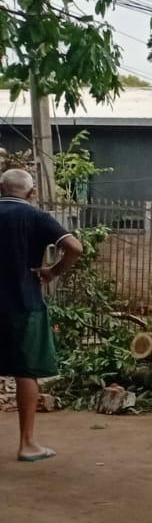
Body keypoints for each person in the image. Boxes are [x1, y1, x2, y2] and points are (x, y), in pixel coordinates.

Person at [1, 168, 81, 462]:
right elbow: (74, 247)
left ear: (0, 188)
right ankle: (27, 444)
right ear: (31, 193)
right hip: (24, 304)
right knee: (26, 371)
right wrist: (52, 272)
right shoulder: (36, 216)